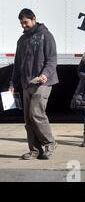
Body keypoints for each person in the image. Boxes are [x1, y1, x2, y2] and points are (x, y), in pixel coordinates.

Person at [9, 8, 58, 160]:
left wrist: (45, 74)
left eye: (26, 22)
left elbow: (52, 59)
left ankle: (50, 143)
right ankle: (35, 150)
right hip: (26, 84)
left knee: (36, 113)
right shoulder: (22, 40)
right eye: (21, 23)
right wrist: (12, 84)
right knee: (28, 119)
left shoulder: (46, 36)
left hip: (43, 82)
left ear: (34, 19)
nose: (23, 25)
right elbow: (17, 65)